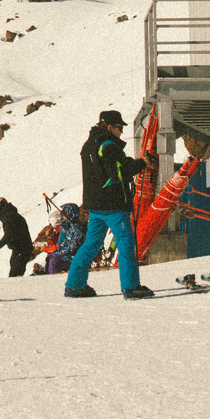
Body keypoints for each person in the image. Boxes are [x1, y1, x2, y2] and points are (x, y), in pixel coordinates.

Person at [65, 110, 153, 300]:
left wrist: (133, 162)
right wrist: (142, 164)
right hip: (113, 205)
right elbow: (118, 174)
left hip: (95, 206)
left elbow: (107, 169)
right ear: (109, 127)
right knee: (126, 243)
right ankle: (131, 287)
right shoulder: (108, 144)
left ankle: (74, 286)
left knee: (91, 245)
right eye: (119, 128)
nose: (121, 132)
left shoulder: (89, 144)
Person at [0, 198, 34, 276]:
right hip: (21, 249)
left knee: (15, 275)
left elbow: (8, 235)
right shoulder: (13, 214)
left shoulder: (9, 217)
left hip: (22, 250)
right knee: (15, 269)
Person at [48, 203, 87, 274]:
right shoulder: (70, 228)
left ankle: (53, 281)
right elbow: (64, 244)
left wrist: (59, 253)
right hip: (70, 256)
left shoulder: (77, 229)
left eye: (64, 215)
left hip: (76, 258)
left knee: (54, 262)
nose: (63, 218)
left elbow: (72, 248)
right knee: (50, 257)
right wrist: (57, 251)